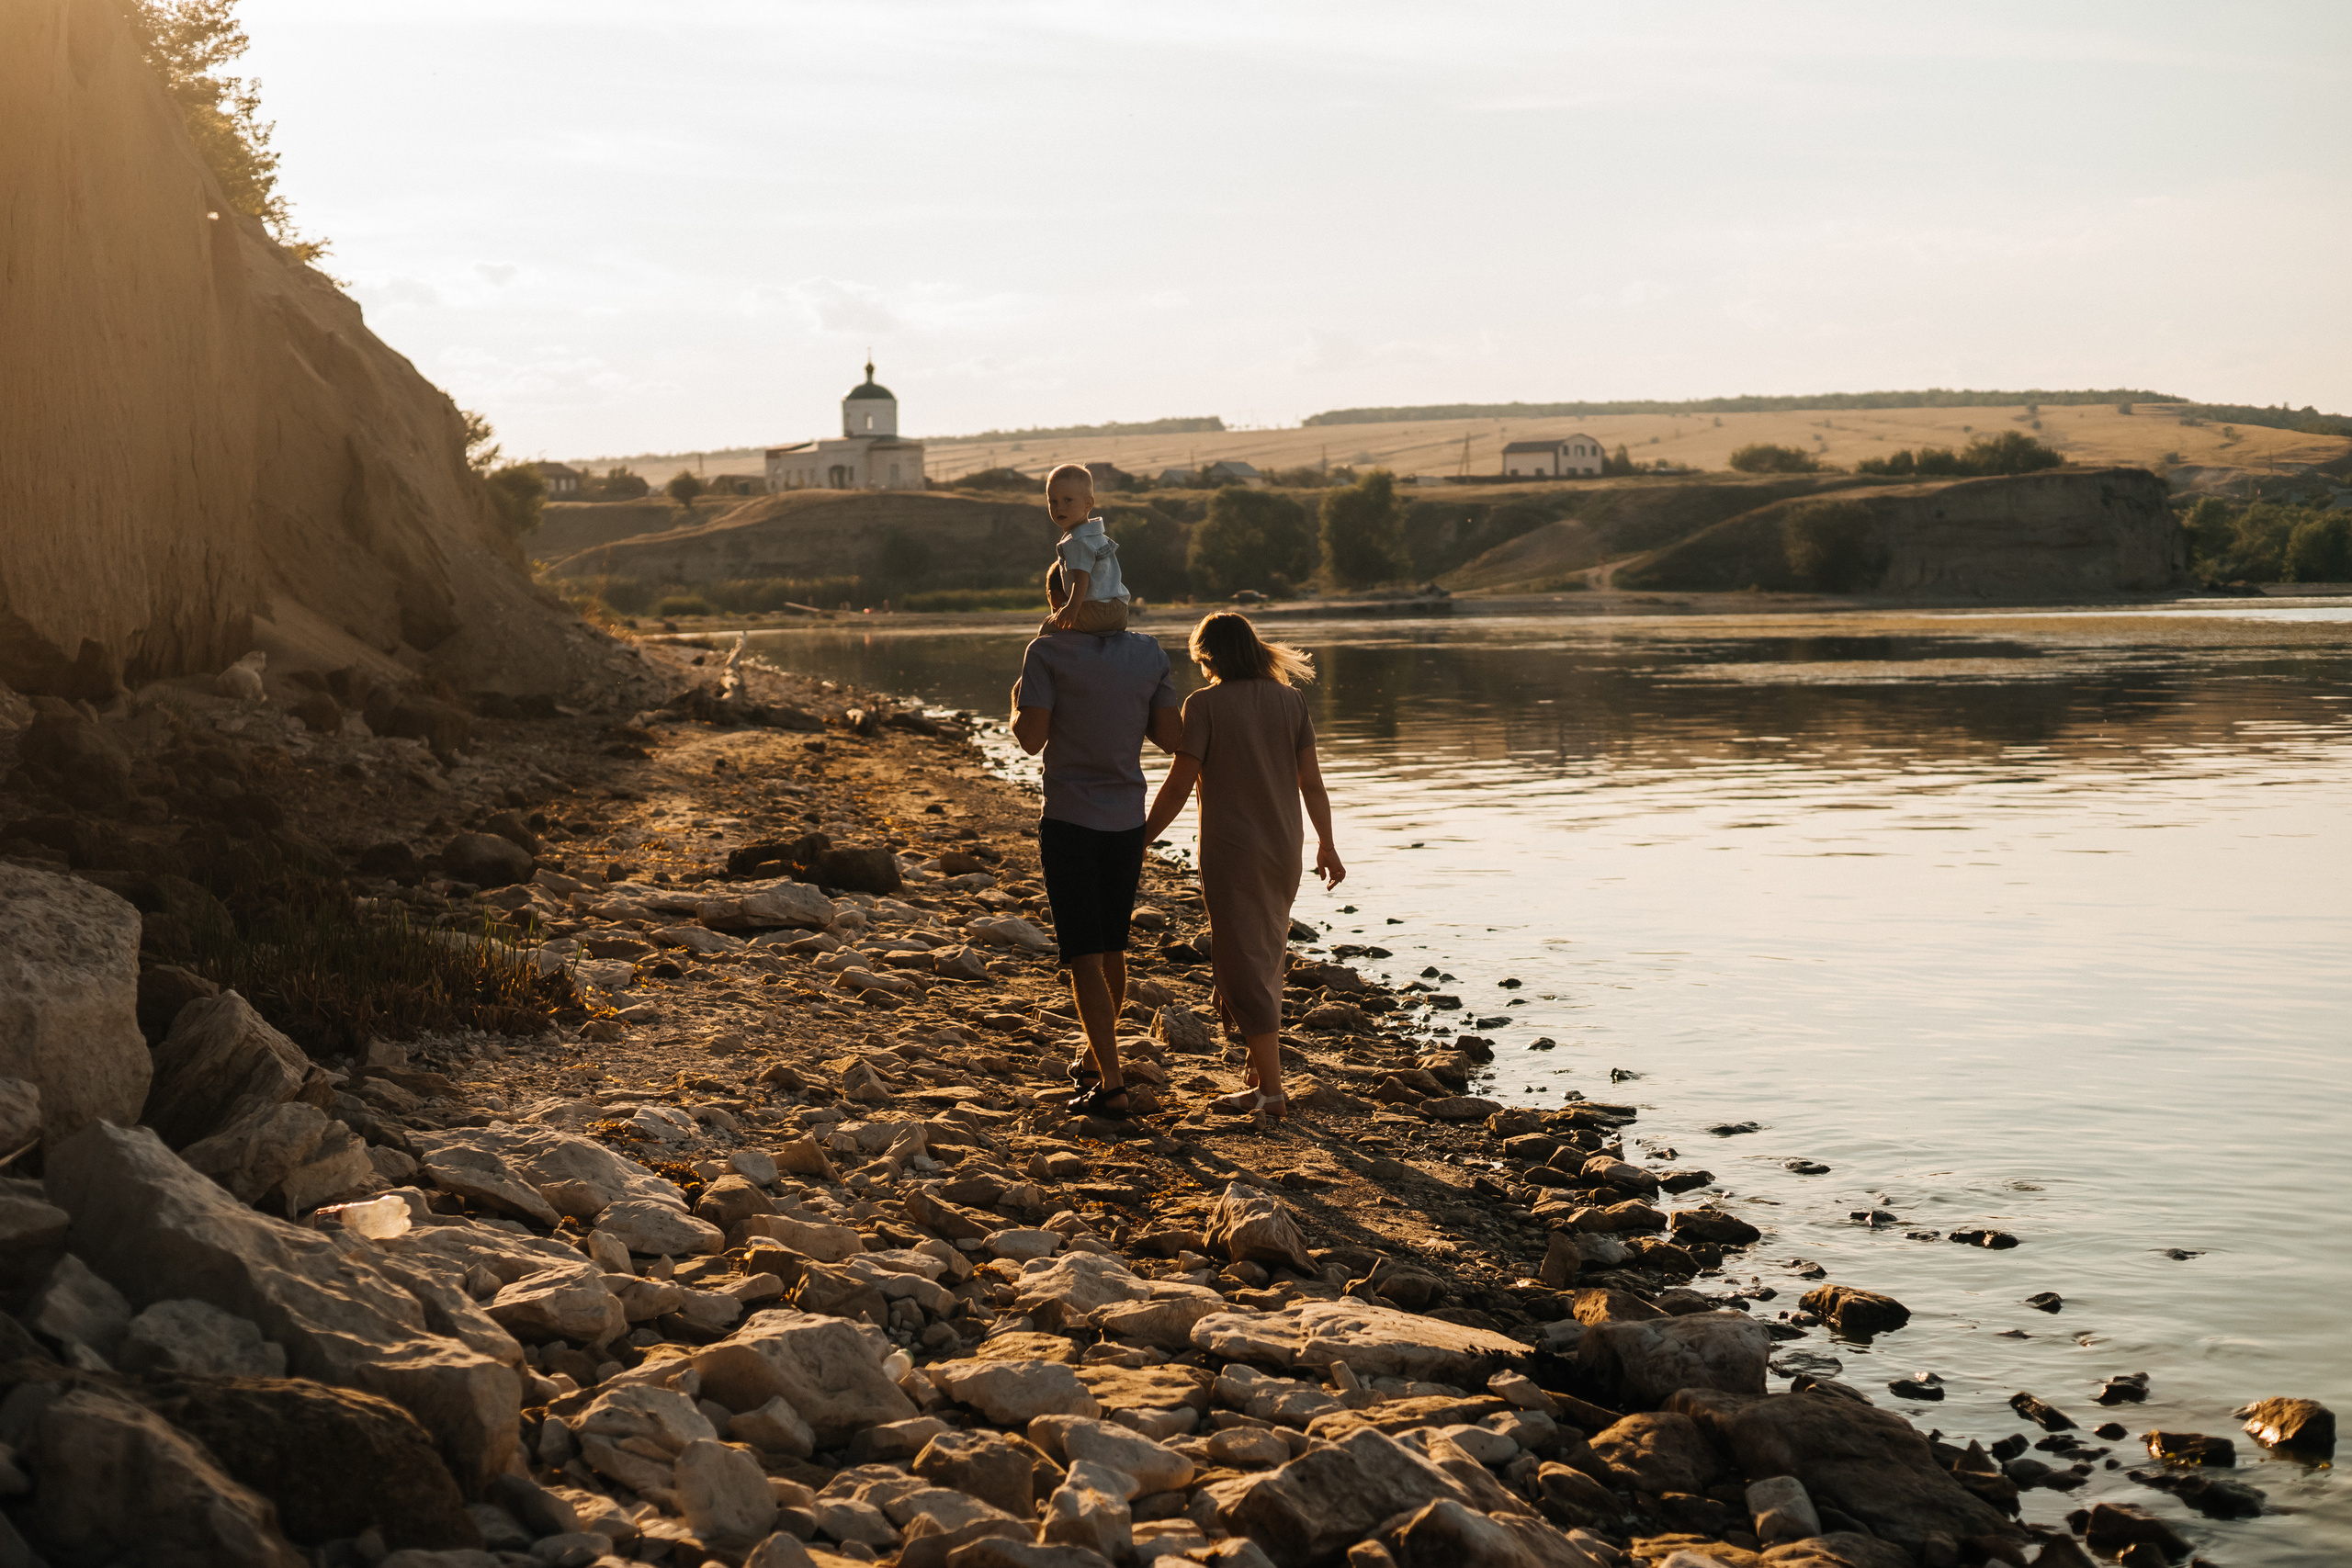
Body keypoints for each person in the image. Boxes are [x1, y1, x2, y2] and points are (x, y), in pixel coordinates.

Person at [1142, 613, 1343, 1119]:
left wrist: (1141, 837)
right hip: (1284, 847)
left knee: (1241, 963)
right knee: (1266, 955)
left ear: (1208, 656)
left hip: (1233, 851)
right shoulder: (1290, 701)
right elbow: (1312, 782)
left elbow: (1180, 781)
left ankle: (1273, 1092)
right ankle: (1258, 1079)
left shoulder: (1204, 705)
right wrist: (1327, 844)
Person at [1009, 612, 1182, 1117]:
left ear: (1058, 601)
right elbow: (1172, 739)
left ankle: (1111, 1083)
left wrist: (1018, 699)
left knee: (1084, 954)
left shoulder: (1045, 653)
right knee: (1112, 947)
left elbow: (1030, 738)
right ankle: (1093, 1056)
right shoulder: (1148, 652)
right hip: (1127, 820)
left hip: (1070, 821)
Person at [1038, 463, 1130, 636]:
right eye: (1053, 501)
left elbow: (1081, 578)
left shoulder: (1076, 540)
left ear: (1088, 504)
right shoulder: (1097, 536)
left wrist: (1072, 608)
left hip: (1095, 609)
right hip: (1119, 610)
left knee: (1048, 628)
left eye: (1068, 500)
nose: (1060, 507)